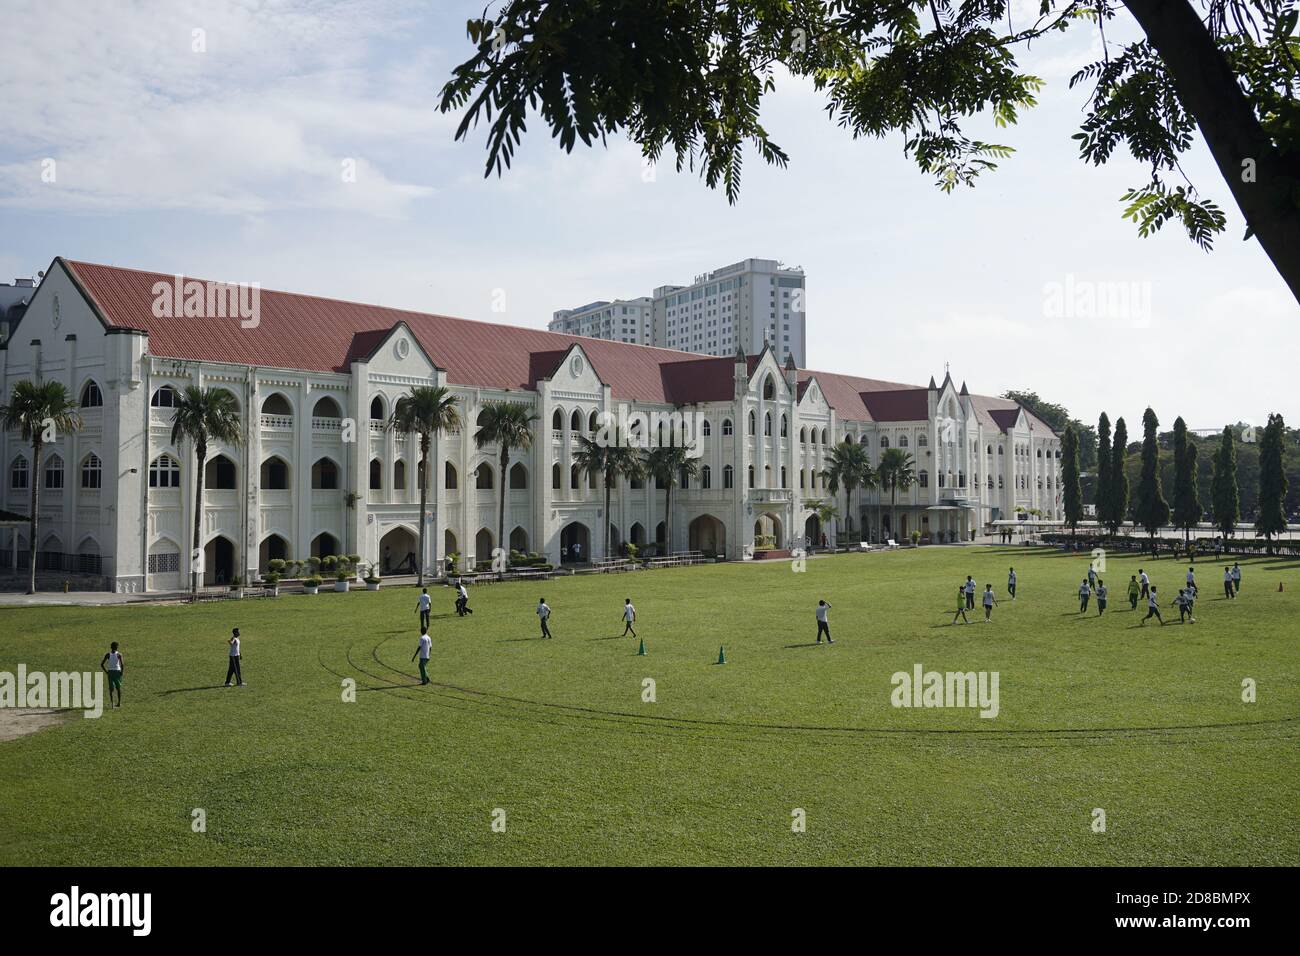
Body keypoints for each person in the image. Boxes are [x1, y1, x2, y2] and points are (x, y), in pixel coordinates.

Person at [100, 641, 124, 709]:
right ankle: (119, 703)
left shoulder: (108, 654)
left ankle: (112, 704)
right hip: (117, 672)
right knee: (118, 688)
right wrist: (122, 672)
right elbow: (122, 664)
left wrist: (106, 672)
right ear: (117, 647)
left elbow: (102, 664)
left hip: (110, 672)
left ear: (111, 647)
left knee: (111, 689)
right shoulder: (119, 654)